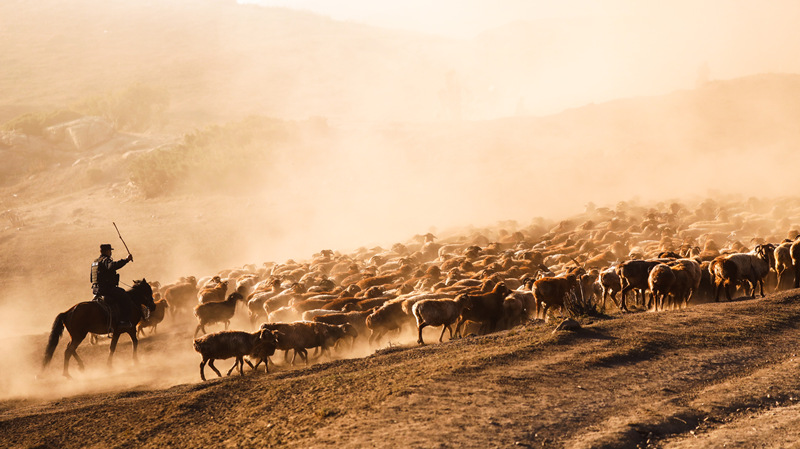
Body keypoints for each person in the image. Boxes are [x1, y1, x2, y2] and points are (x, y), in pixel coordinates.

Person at [91, 244, 134, 329]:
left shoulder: (95, 262)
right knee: (125, 296)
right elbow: (112, 266)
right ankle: (123, 321)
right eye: (110, 251)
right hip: (106, 289)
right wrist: (126, 260)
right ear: (107, 251)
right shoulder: (105, 260)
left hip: (96, 289)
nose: (110, 252)